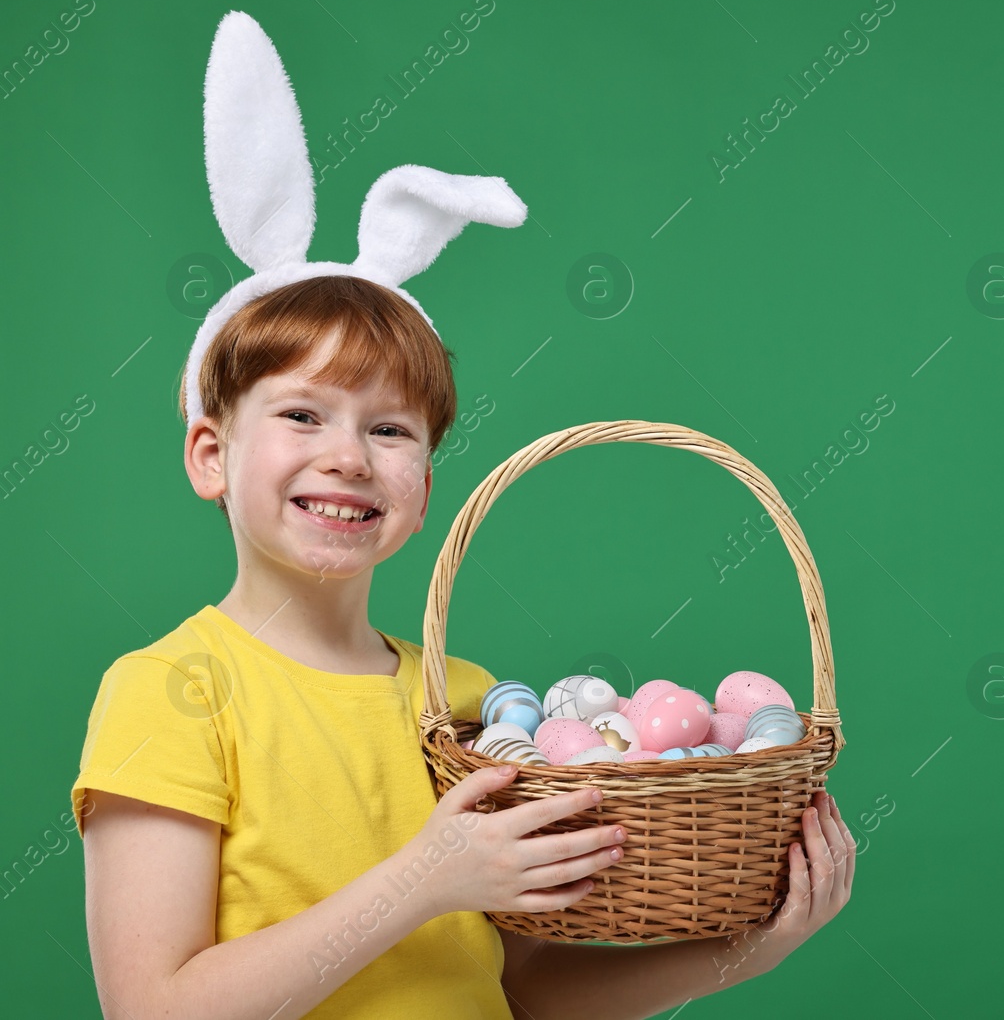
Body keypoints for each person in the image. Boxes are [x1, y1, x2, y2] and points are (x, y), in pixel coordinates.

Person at [71, 273, 856, 1020]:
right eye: (302, 415)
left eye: (388, 429)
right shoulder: (171, 690)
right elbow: (151, 1006)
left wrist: (749, 950)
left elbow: (530, 990)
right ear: (211, 455)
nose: (349, 456)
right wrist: (423, 878)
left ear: (422, 499)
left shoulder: (466, 702)